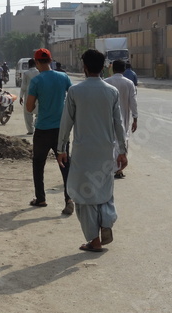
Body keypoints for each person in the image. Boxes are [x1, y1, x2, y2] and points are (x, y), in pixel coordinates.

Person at [57, 49, 127, 252]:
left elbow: (66, 122)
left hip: (83, 152)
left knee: (83, 195)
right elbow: (119, 124)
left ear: (84, 67)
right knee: (104, 190)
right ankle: (106, 222)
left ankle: (94, 241)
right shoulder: (111, 92)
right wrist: (122, 151)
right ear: (103, 67)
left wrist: (61, 148)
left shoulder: (75, 92)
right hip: (106, 150)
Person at [26, 48, 74, 215]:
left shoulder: (36, 81)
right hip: (62, 129)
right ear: (50, 60)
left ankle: (41, 198)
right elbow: (73, 96)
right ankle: (69, 198)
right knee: (65, 164)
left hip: (43, 129)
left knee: (38, 164)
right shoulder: (63, 77)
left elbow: (29, 107)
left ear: (37, 62)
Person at [105, 60, 138, 179]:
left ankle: (112, 167)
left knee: (111, 142)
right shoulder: (129, 83)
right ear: (124, 70)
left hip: (108, 117)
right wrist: (135, 118)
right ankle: (118, 169)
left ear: (112, 69)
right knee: (122, 141)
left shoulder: (106, 82)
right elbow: (133, 102)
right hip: (123, 117)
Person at [19, 58, 39, 135]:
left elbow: (23, 86)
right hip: (39, 94)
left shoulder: (26, 73)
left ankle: (30, 130)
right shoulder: (39, 72)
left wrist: (21, 96)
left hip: (29, 94)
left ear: (28, 65)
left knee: (28, 113)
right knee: (39, 112)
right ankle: (37, 127)